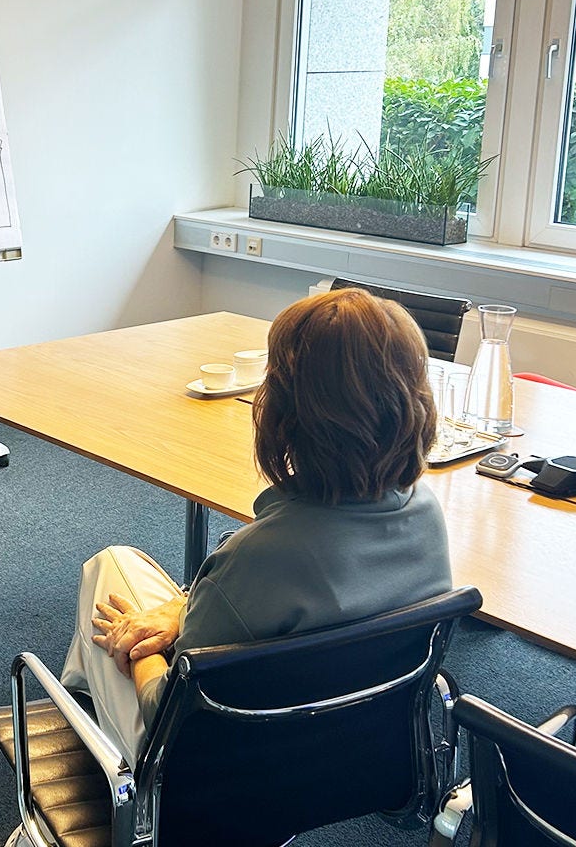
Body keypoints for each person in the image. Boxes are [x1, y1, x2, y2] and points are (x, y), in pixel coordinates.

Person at [59, 288, 454, 762]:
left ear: (285, 414)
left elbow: (164, 706)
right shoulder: (426, 513)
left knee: (108, 573)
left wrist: (139, 645)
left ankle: (97, 766)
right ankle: (87, 721)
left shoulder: (259, 556)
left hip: (210, 768)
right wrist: (181, 611)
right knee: (140, 603)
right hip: (350, 750)